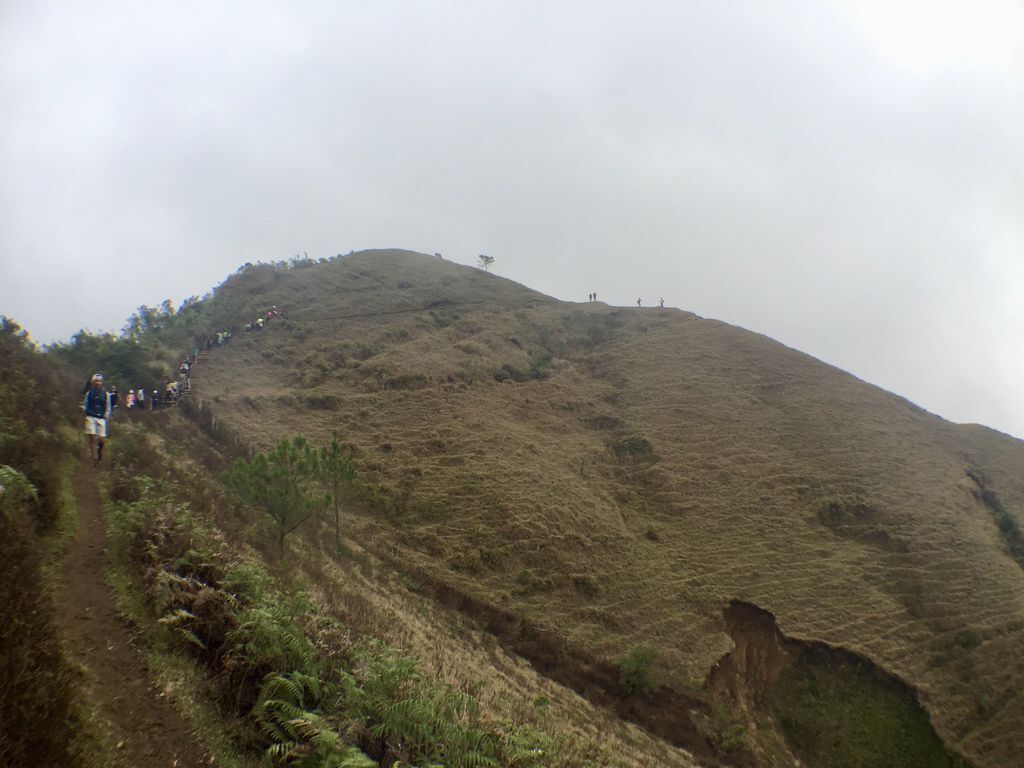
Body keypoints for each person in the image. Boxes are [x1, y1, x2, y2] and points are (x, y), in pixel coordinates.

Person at [82, 374, 111, 465]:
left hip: (101, 418)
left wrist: (107, 414)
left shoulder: (106, 394)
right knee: (92, 437)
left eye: (100, 381)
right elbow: (85, 404)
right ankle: (95, 459)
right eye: (96, 381)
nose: (98, 383)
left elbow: (108, 406)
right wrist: (82, 408)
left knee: (101, 439)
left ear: (102, 382)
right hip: (90, 416)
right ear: (93, 382)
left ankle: (99, 451)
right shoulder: (89, 393)